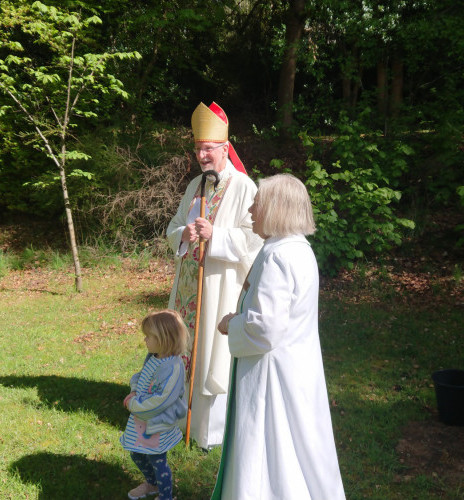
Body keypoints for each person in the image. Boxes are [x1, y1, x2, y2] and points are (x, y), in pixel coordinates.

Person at [213, 174, 346, 500]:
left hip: (271, 374)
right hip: (294, 366)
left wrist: (233, 323)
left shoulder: (277, 256)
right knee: (296, 445)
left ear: (275, 208)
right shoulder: (298, 249)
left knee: (271, 447)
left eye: (257, 202)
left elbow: (264, 329)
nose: (251, 209)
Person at [166, 101, 263, 449]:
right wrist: (185, 234)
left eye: (208, 148)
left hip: (221, 284)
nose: (203, 155)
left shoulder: (244, 187)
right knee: (183, 348)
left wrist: (216, 236)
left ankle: (209, 431)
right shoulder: (194, 186)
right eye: (198, 149)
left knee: (212, 355)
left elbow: (254, 239)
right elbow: (173, 226)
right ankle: (176, 420)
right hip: (189, 285)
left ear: (225, 148)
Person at [121, 309, 189, 500]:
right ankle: (152, 484)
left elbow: (162, 400)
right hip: (142, 419)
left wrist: (134, 405)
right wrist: (134, 389)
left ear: (164, 339)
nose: (145, 341)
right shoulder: (153, 357)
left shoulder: (173, 367)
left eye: (148, 337)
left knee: (158, 460)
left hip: (157, 423)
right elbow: (141, 376)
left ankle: (166, 495)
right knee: (136, 453)